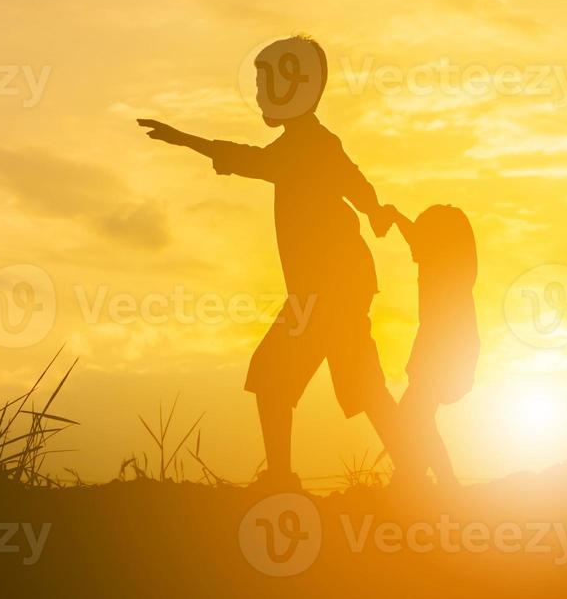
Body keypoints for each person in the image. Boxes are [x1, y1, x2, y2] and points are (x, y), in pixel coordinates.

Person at [136, 35, 399, 489]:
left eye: (265, 82)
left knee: (277, 377)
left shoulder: (304, 146)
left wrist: (184, 139)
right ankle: (416, 473)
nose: (260, 94)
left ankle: (284, 476)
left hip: (325, 291)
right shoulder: (312, 142)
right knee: (355, 388)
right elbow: (356, 185)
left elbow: (250, 160)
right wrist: (375, 211)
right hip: (334, 289)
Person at [386, 203, 479, 486]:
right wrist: (394, 215)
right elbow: (415, 236)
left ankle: (427, 479)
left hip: (444, 349)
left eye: (421, 237)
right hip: (442, 347)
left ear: (435, 241)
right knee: (417, 417)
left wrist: (394, 216)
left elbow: (417, 238)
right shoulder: (444, 265)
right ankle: (425, 477)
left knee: (413, 415)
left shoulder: (445, 271)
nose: (413, 247)